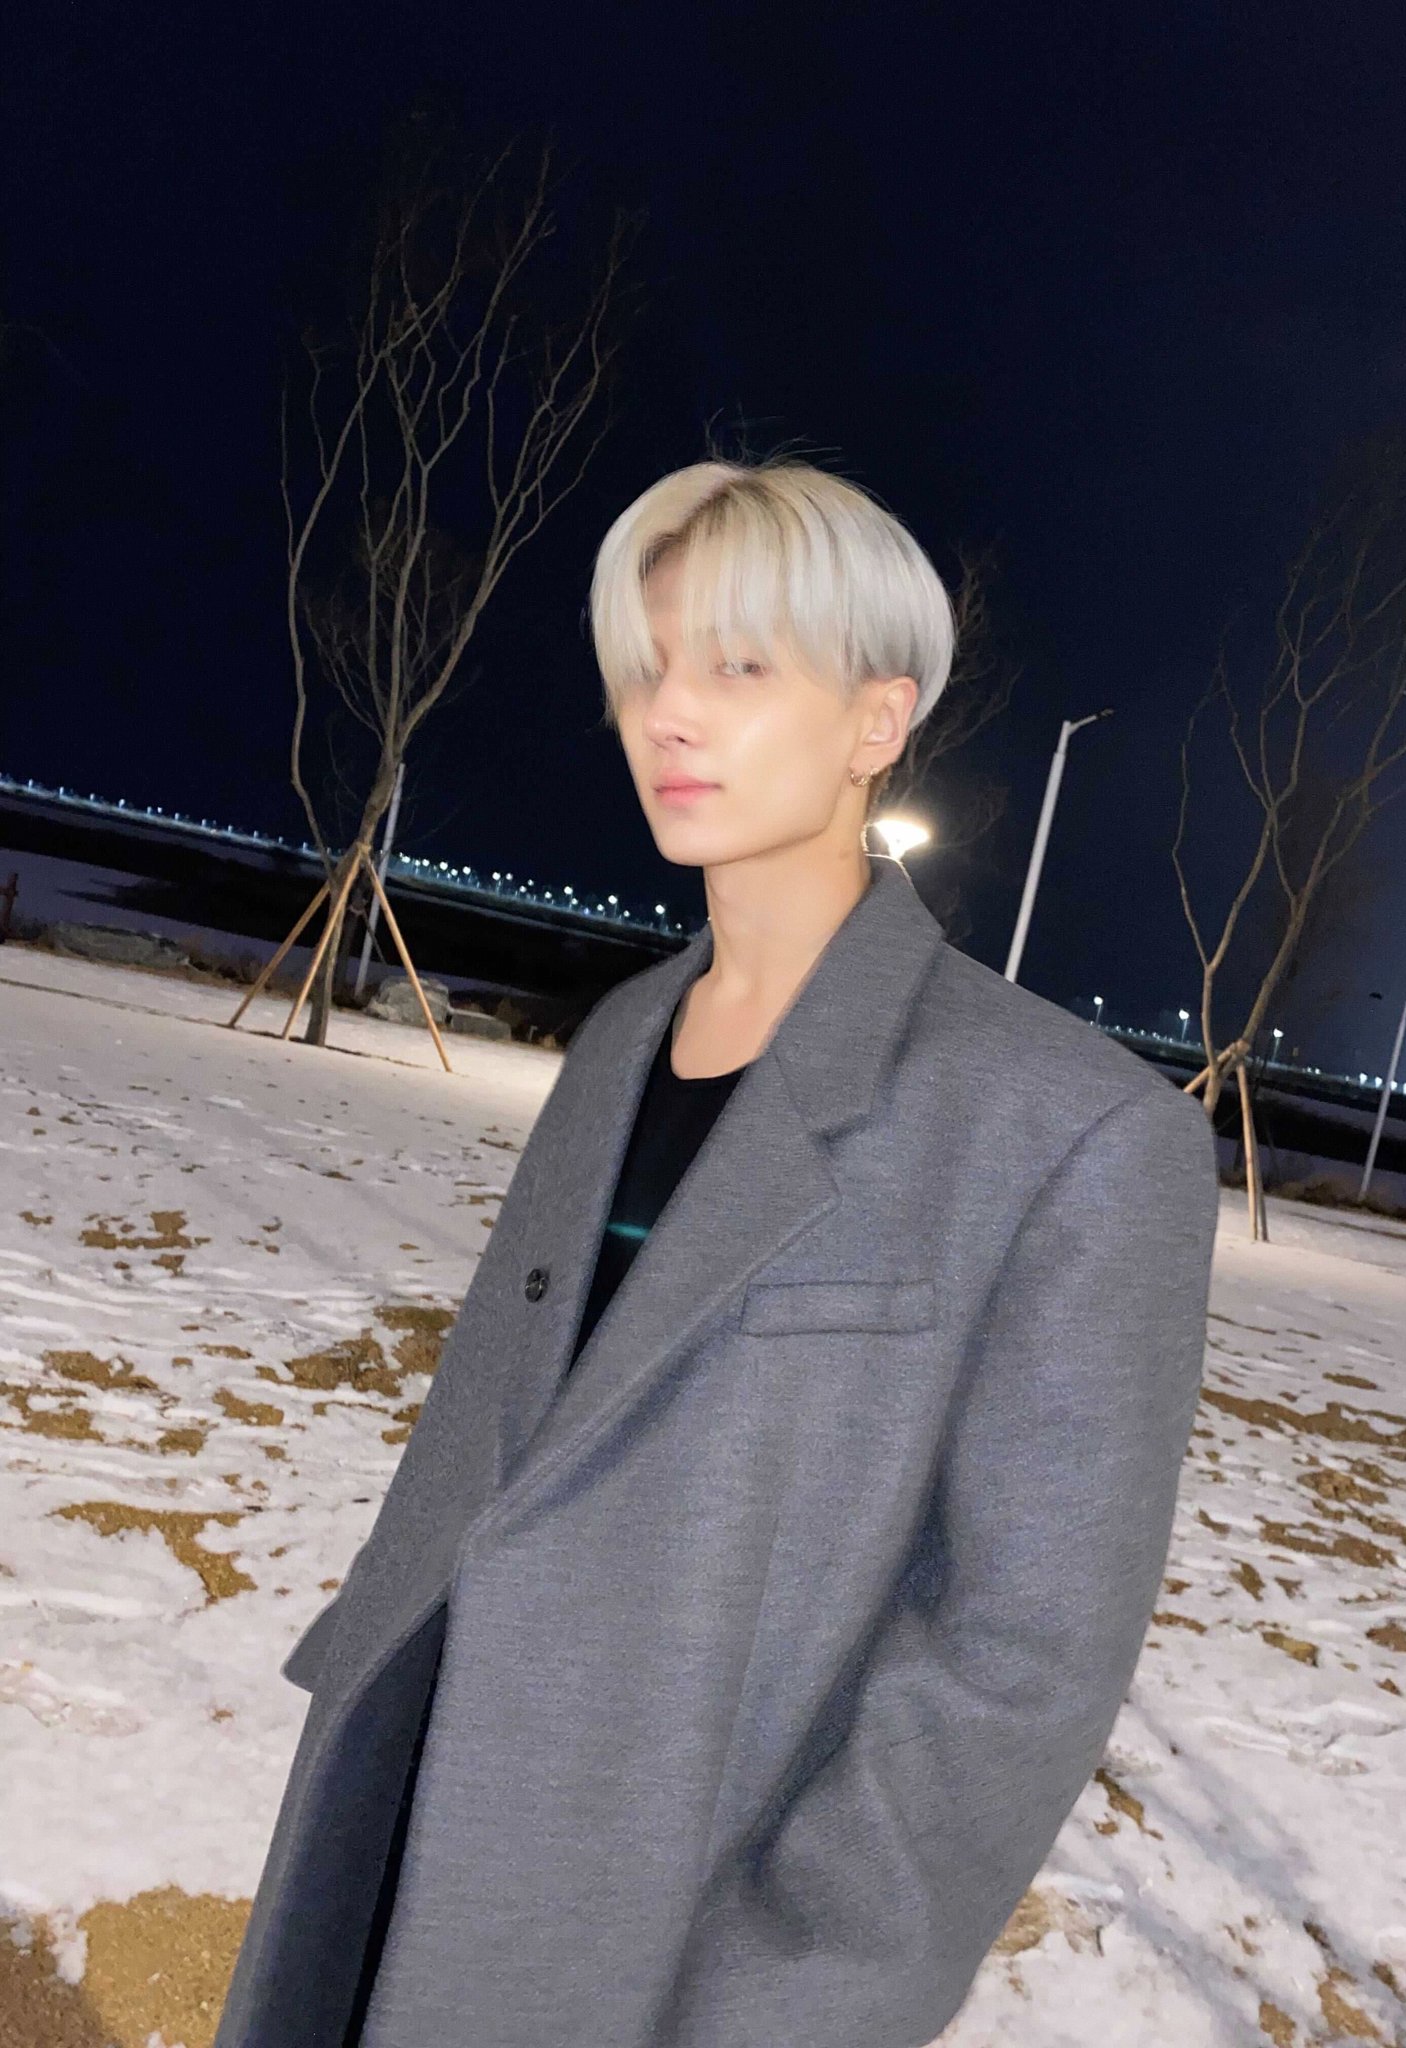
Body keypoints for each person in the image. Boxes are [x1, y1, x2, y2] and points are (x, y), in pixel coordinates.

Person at [214, 456, 1219, 2048]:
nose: (669, 715)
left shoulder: (1072, 1132)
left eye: (741, 667)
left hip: (665, 1922)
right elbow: (500, 1435)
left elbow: (1018, 1661)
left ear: (878, 721)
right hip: (413, 1807)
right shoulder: (624, 1036)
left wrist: (800, 1989)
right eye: (647, 668)